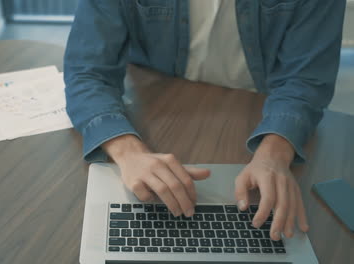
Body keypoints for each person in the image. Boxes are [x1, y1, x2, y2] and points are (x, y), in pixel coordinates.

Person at [63, 0, 346, 242]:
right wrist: (127, 150)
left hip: (261, 113)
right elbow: (87, 72)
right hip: (159, 109)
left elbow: (306, 80)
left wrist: (276, 152)